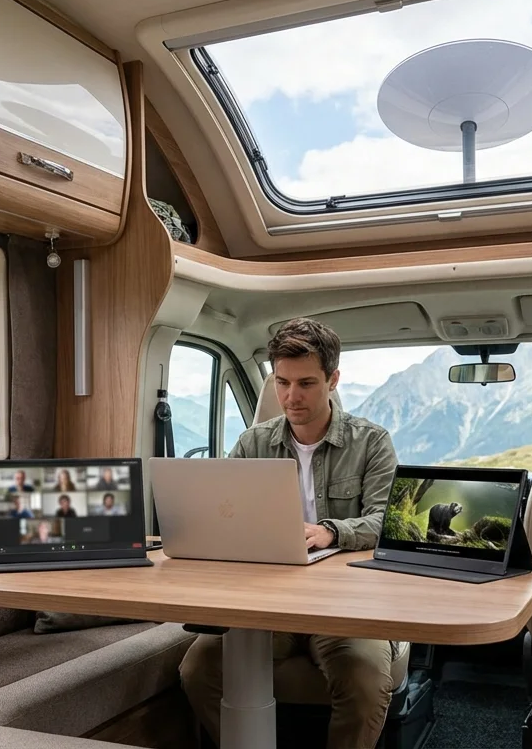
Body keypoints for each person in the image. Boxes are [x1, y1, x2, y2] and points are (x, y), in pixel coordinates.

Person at [178, 317, 399, 749]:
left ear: (333, 379)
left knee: (367, 679)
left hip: (344, 607)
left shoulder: (371, 442)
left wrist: (330, 532)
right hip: (263, 601)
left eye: (306, 384)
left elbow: (386, 522)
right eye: (282, 383)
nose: (291, 397)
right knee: (197, 671)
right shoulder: (251, 443)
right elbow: (221, 514)